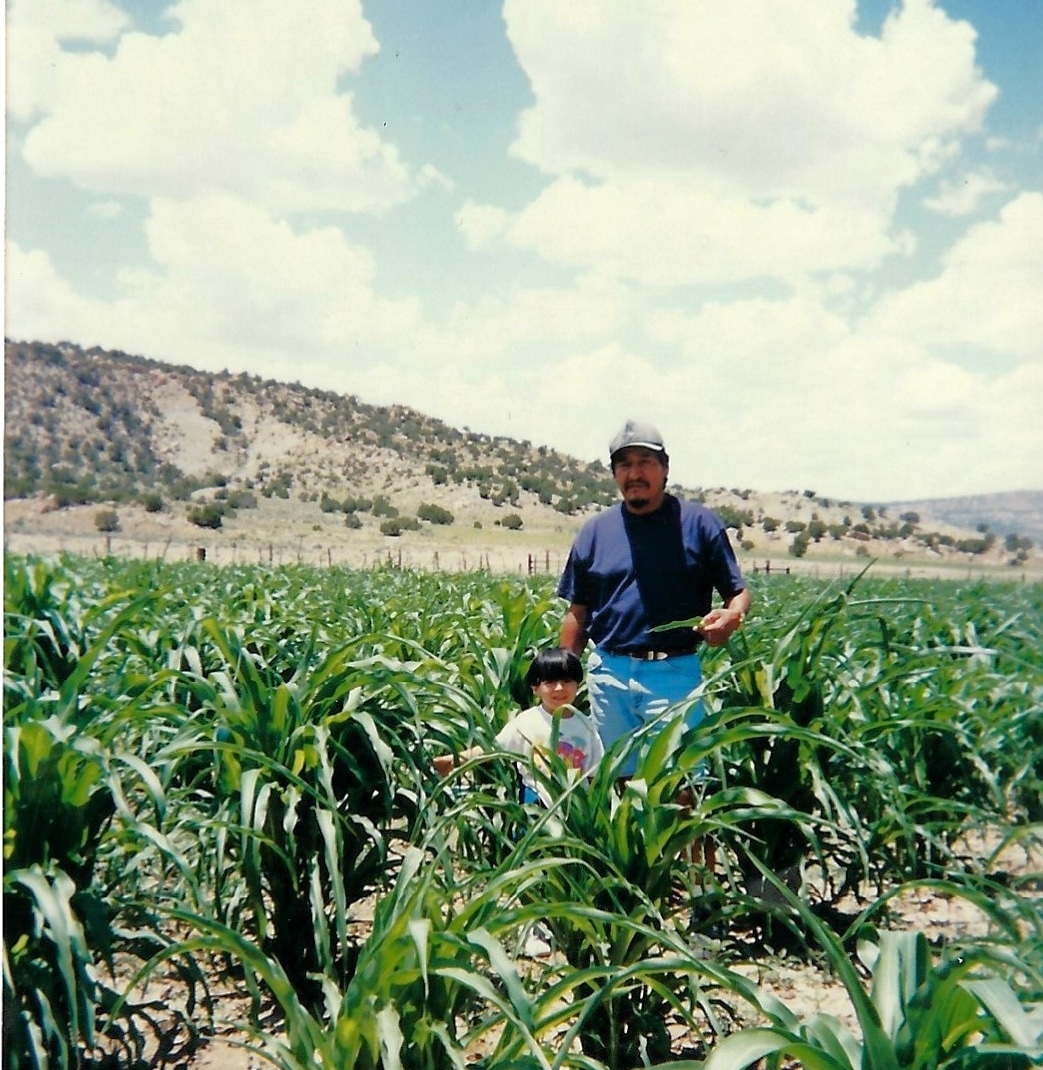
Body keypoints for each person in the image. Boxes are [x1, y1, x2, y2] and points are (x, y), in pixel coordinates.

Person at [558, 418, 751, 786]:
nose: (635, 472)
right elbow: (578, 612)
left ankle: (685, 846)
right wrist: (561, 675)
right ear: (614, 473)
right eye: (625, 464)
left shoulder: (698, 523)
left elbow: (738, 592)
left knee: (681, 783)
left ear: (665, 468)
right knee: (615, 778)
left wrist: (732, 616)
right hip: (608, 674)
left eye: (645, 461)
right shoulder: (595, 531)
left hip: (673, 674)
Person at [433, 647, 604, 956]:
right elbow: (493, 750)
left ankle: (566, 924)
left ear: (579, 685)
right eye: (548, 682)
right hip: (535, 804)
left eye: (567, 681)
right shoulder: (526, 723)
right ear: (535, 687)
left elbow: (596, 772)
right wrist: (454, 761)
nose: (558, 689)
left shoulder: (585, 725)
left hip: (576, 808)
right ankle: (531, 929)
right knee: (533, 868)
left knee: (571, 868)